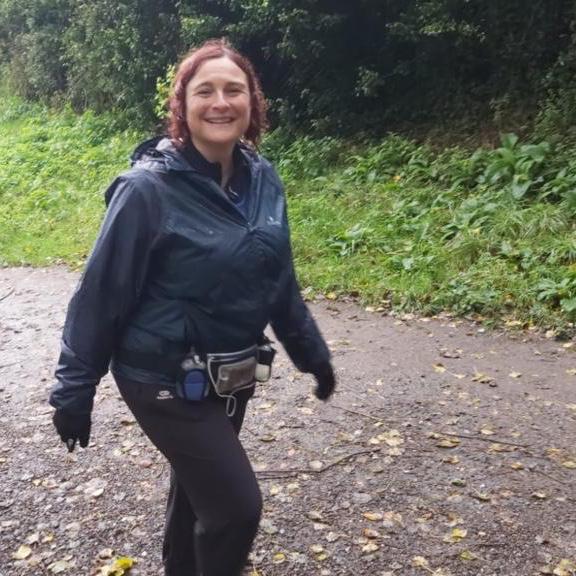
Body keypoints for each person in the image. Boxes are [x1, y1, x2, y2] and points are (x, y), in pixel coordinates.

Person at [49, 38, 336, 576]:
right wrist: (74, 387)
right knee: (235, 508)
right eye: (205, 91)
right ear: (182, 106)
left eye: (235, 90)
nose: (221, 102)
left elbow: (278, 280)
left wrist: (311, 353)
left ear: (253, 103)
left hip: (231, 373)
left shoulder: (263, 180)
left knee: (199, 498)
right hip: (159, 377)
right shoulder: (146, 191)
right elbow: (100, 293)